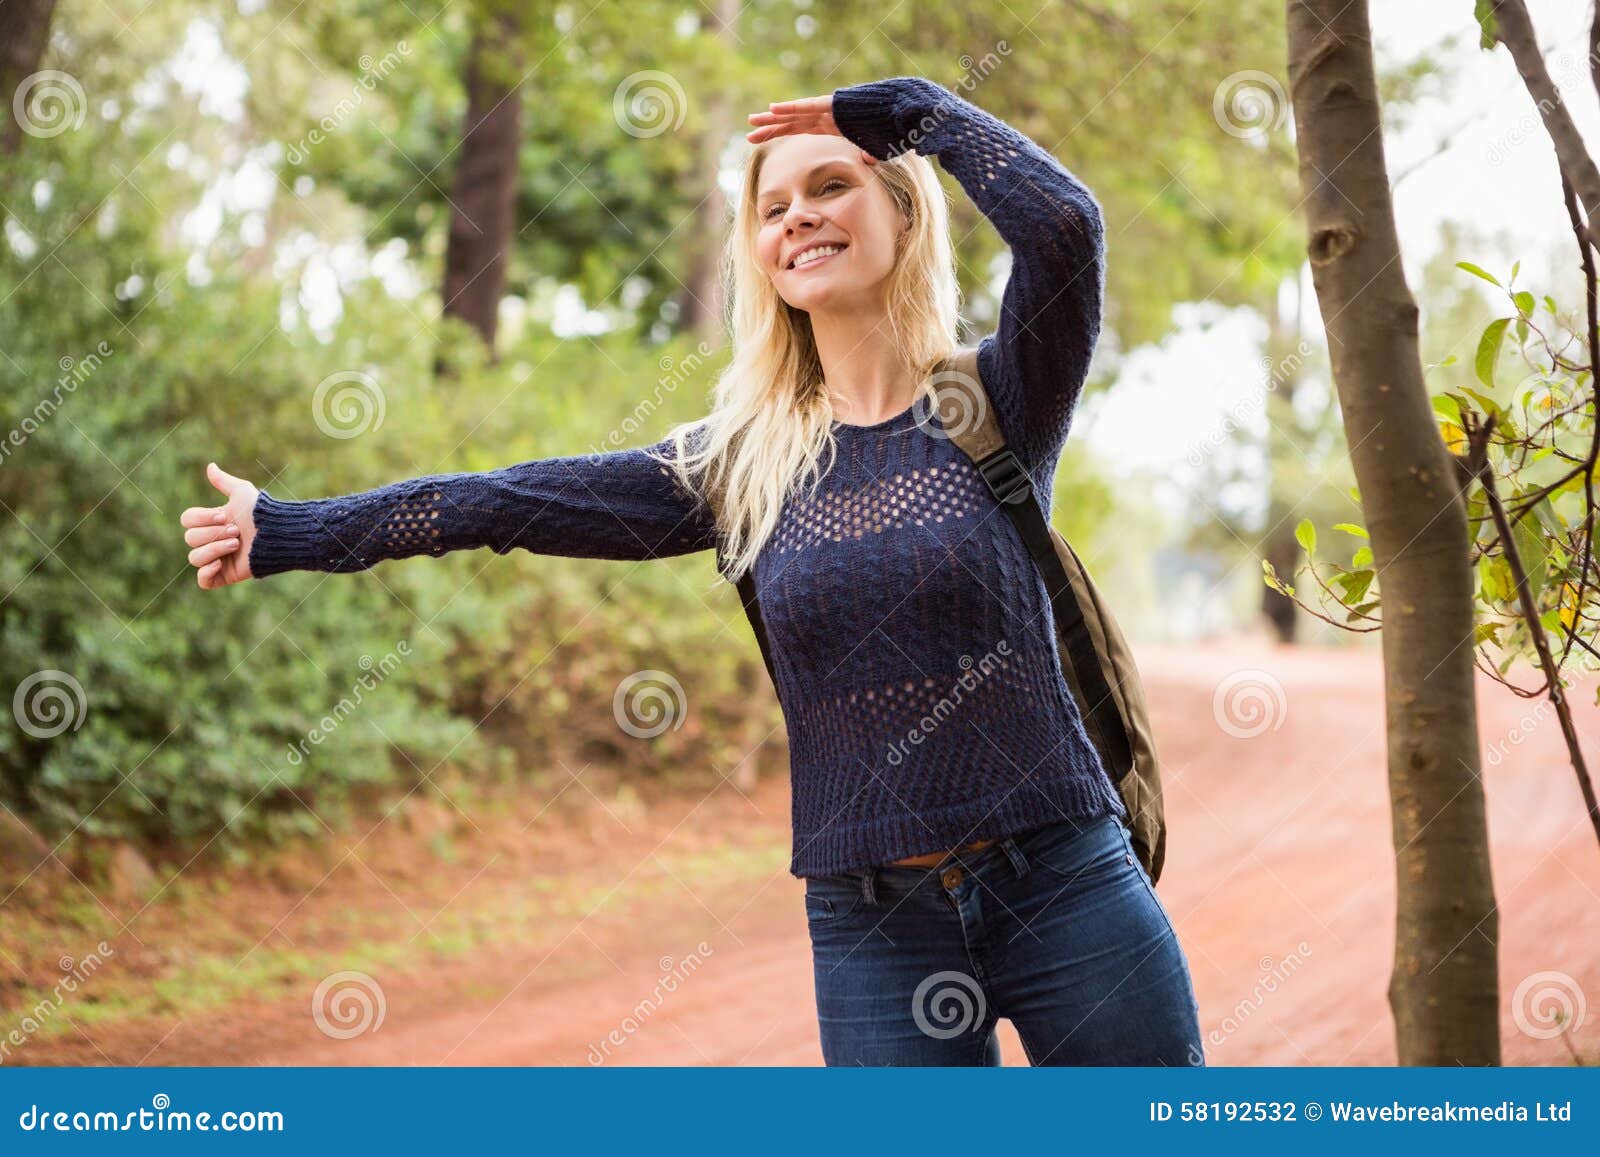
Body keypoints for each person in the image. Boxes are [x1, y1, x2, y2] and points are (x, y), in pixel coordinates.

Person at [180, 76, 1204, 1067]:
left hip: (1065, 885)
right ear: (757, 252)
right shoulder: (739, 467)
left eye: (832, 185)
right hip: (874, 926)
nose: (798, 216)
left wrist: (910, 110)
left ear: (904, 213)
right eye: (772, 206)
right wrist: (291, 529)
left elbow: (1066, 225)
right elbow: (500, 504)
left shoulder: (999, 398)